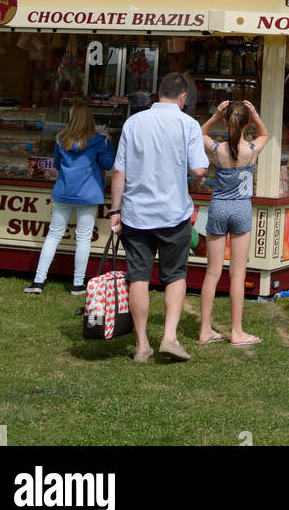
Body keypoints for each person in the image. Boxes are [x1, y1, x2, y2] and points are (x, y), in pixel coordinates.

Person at [110, 72, 208, 362]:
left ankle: (142, 344)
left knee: (138, 276)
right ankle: (169, 337)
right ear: (182, 97)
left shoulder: (134, 122)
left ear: (157, 93)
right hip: (172, 213)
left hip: (135, 213)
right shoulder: (188, 124)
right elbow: (199, 170)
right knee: (175, 275)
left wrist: (115, 210)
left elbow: (120, 171)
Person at [23, 103, 115, 296]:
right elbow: (107, 164)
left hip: (63, 192)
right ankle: (77, 284)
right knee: (83, 239)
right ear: (90, 119)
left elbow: (56, 164)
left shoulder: (60, 139)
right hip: (88, 195)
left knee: (53, 236)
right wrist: (109, 144)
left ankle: (38, 281)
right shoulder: (99, 141)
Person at [197, 99, 268, 347]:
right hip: (241, 209)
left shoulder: (217, 150)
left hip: (218, 208)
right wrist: (255, 115)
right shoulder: (251, 150)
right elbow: (265, 133)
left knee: (212, 272)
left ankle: (205, 329)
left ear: (226, 121)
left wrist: (215, 116)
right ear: (246, 123)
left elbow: (200, 133)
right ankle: (236, 331)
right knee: (237, 273)